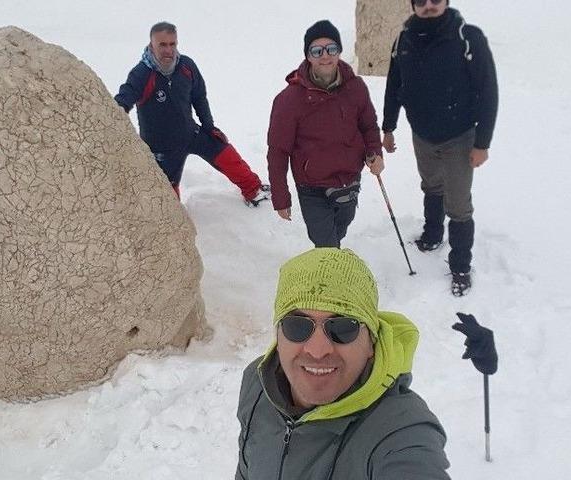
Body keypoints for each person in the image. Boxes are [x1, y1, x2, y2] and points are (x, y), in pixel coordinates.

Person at [235, 248, 450, 479]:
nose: (317, 351)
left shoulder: (399, 430)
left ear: (371, 343)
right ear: (278, 335)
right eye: (297, 326)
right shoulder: (258, 385)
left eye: (343, 328)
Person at [382, 0, 498, 296]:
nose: (429, 6)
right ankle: (433, 233)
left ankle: (460, 265)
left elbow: (488, 91)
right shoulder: (404, 38)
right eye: (421, 1)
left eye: (435, 0)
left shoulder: (467, 37)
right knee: (431, 185)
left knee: (458, 203)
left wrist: (482, 143)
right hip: (421, 134)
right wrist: (388, 125)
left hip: (459, 137)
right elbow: (395, 83)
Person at [115, 22, 270, 206]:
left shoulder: (186, 66)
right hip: (161, 148)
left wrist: (209, 126)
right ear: (151, 45)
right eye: (162, 45)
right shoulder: (141, 74)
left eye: (172, 44)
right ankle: (172, 225)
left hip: (190, 133)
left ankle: (253, 190)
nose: (168, 50)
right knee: (166, 203)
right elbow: (121, 103)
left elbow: (199, 97)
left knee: (225, 153)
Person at [267, 20, 384, 248]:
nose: (325, 56)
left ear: (339, 51)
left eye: (331, 49)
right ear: (308, 56)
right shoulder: (289, 100)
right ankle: (331, 276)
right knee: (326, 246)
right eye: (317, 50)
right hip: (313, 187)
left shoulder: (356, 88)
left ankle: (332, 263)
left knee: (340, 230)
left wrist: (375, 153)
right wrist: (280, 196)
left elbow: (369, 126)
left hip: (349, 179)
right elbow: (278, 151)